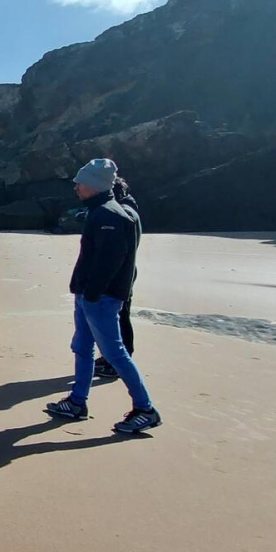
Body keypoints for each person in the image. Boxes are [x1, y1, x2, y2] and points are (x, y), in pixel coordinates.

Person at [46, 159, 162, 435]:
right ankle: (77, 402)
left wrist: (94, 294)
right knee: (82, 347)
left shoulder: (110, 215)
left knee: (115, 353)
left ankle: (145, 409)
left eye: (80, 182)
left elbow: (112, 261)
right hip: (90, 295)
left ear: (95, 185)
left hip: (100, 298)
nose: (76, 186)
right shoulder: (100, 211)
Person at [93, 176, 140, 379]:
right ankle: (112, 359)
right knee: (118, 317)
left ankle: (119, 361)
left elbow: (116, 250)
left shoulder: (122, 214)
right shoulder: (129, 210)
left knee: (119, 318)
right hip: (125, 272)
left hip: (119, 274)